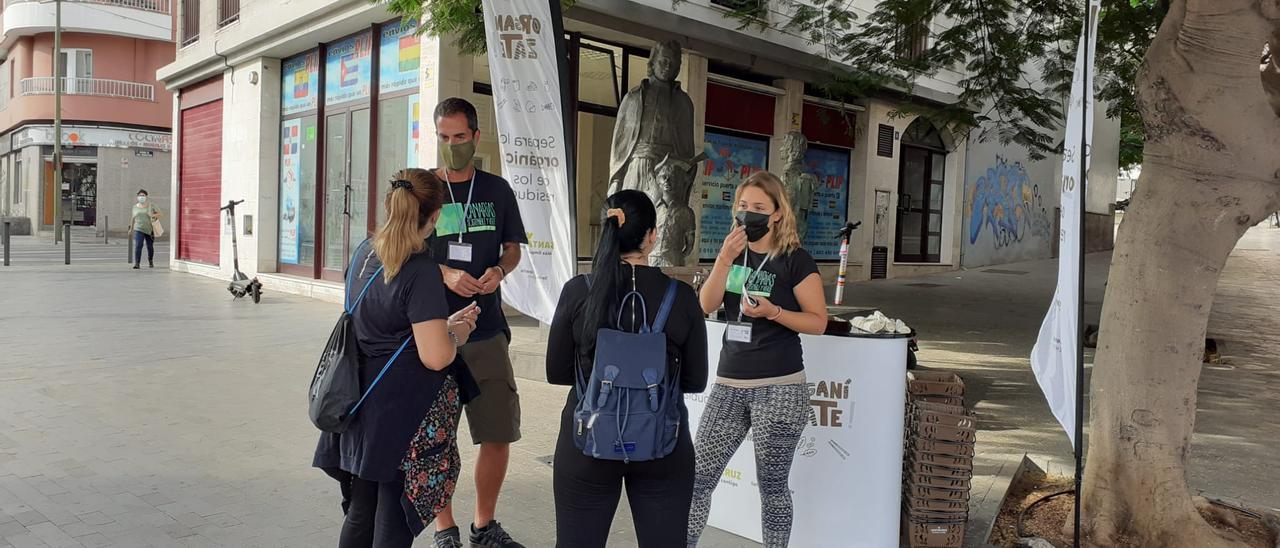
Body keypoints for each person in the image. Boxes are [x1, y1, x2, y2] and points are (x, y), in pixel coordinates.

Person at [312, 168, 482, 548]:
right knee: (392, 523)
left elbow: (384, 323)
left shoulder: (363, 252)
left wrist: (441, 325)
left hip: (358, 401)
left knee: (360, 512)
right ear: (434, 217)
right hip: (401, 416)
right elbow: (437, 357)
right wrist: (457, 331)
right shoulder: (420, 269)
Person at [546, 190, 708, 547]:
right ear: (652, 236)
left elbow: (556, 372)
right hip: (662, 445)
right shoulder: (680, 297)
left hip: (587, 440)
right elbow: (695, 381)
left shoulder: (578, 292)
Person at [687, 172, 828, 548]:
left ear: (777, 214)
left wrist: (774, 313)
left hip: (779, 387)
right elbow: (706, 305)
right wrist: (723, 257)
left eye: (758, 209)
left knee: (772, 486)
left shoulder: (796, 260)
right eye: (743, 207)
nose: (748, 215)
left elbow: (818, 321)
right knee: (697, 478)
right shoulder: (734, 254)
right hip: (729, 383)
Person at [426, 97, 528, 548]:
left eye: (459, 138)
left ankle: (483, 525)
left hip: (486, 330)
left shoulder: (497, 190)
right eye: (443, 138)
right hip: (432, 330)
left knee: (498, 430)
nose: (451, 146)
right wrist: (443, 271)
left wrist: (499, 272)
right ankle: (443, 527)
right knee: (434, 436)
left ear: (475, 137)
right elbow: (401, 248)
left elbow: (513, 247)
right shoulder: (423, 189)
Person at [608, 40, 696, 201]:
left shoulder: (683, 102)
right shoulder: (633, 98)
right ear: (653, 62)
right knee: (632, 215)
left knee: (662, 219)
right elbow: (620, 144)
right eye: (663, 61)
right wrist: (616, 180)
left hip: (666, 171)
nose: (667, 66)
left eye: (672, 63)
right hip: (636, 167)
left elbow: (686, 150)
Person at [130, 189, 162, 269]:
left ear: (146, 197)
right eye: (140, 195)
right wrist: (131, 228)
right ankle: (137, 263)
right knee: (138, 245)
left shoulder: (151, 205)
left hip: (149, 229)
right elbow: (133, 218)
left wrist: (152, 215)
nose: (141, 197)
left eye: (143, 195)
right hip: (138, 229)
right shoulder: (134, 207)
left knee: (150, 247)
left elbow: (160, 214)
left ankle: (150, 260)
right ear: (137, 197)